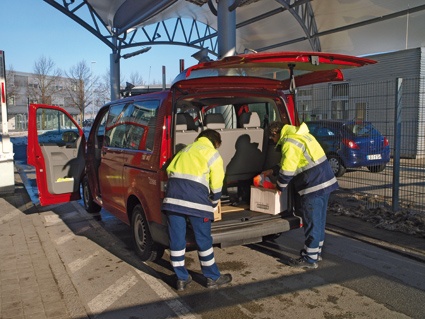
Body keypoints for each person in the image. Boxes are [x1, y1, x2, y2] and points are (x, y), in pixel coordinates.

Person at [162, 129, 232, 290]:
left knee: (177, 241)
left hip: (173, 200)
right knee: (203, 240)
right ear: (216, 143)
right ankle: (212, 277)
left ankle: (181, 279)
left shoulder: (184, 150)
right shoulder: (212, 154)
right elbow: (217, 183)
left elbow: (169, 171)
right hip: (197, 203)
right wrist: (213, 204)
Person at [263, 121, 338, 269]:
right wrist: (272, 171)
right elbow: (294, 161)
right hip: (325, 182)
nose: (272, 141)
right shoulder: (300, 135)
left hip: (313, 186)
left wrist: (278, 186)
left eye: (271, 138)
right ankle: (316, 253)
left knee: (312, 223)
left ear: (275, 133)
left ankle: (309, 259)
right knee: (319, 221)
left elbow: (288, 169)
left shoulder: (290, 142)